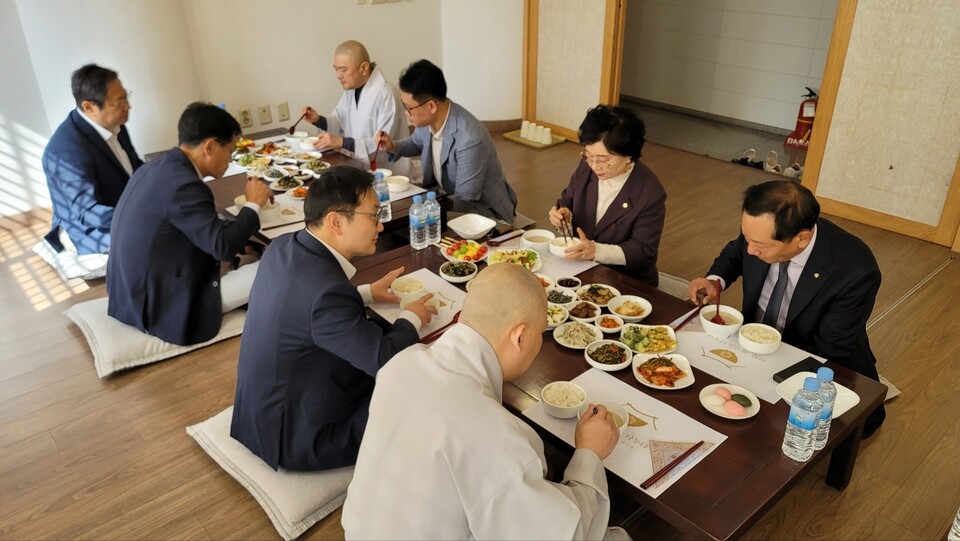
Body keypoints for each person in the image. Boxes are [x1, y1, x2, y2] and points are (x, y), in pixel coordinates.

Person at [342, 263, 624, 539]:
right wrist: (589, 454)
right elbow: (569, 534)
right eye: (540, 333)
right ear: (519, 336)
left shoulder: (401, 363)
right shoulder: (495, 434)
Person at [231, 166, 437, 471]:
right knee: (423, 390)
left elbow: (306, 306)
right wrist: (412, 318)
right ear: (336, 221)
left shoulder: (282, 246)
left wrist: (366, 292)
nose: (381, 227)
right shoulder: (327, 294)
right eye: (374, 215)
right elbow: (385, 359)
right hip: (298, 437)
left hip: (259, 412)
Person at [687, 180, 886, 437]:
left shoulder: (855, 269)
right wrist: (716, 280)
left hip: (815, 361)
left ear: (802, 238)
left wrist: (761, 375)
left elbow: (830, 348)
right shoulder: (759, 235)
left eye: (759, 245)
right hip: (753, 344)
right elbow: (736, 251)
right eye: (747, 237)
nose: (751, 249)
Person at [107, 102, 272, 346]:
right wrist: (253, 205)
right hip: (161, 307)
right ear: (210, 146)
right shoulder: (185, 185)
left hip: (126, 294)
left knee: (250, 252)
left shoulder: (154, 168)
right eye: (231, 151)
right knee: (278, 264)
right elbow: (223, 246)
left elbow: (197, 230)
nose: (231, 159)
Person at [376, 59, 518, 223]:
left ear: (431, 106)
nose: (407, 113)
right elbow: (416, 143)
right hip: (446, 199)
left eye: (409, 107)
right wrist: (393, 146)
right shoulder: (429, 119)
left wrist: (422, 208)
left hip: (484, 212)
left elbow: (466, 198)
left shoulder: (470, 137)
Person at [549, 105, 666, 287]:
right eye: (588, 155)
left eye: (603, 160)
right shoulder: (587, 166)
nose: (595, 166)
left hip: (625, 281)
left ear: (629, 156)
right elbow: (567, 200)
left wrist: (596, 251)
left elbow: (643, 252)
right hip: (580, 269)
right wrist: (563, 216)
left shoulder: (649, 193)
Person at [41, 64, 144, 255]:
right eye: (119, 101)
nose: (127, 106)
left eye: (126, 97)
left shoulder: (114, 123)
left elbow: (135, 168)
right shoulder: (66, 151)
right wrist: (138, 216)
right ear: (89, 107)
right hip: (90, 230)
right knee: (152, 240)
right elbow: (87, 213)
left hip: (122, 207)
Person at [299, 40, 410, 175]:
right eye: (336, 69)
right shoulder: (351, 91)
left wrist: (342, 142)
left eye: (343, 69)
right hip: (356, 166)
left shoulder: (386, 94)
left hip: (388, 174)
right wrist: (318, 120)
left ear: (363, 68)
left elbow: (383, 143)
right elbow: (339, 119)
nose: (338, 75)